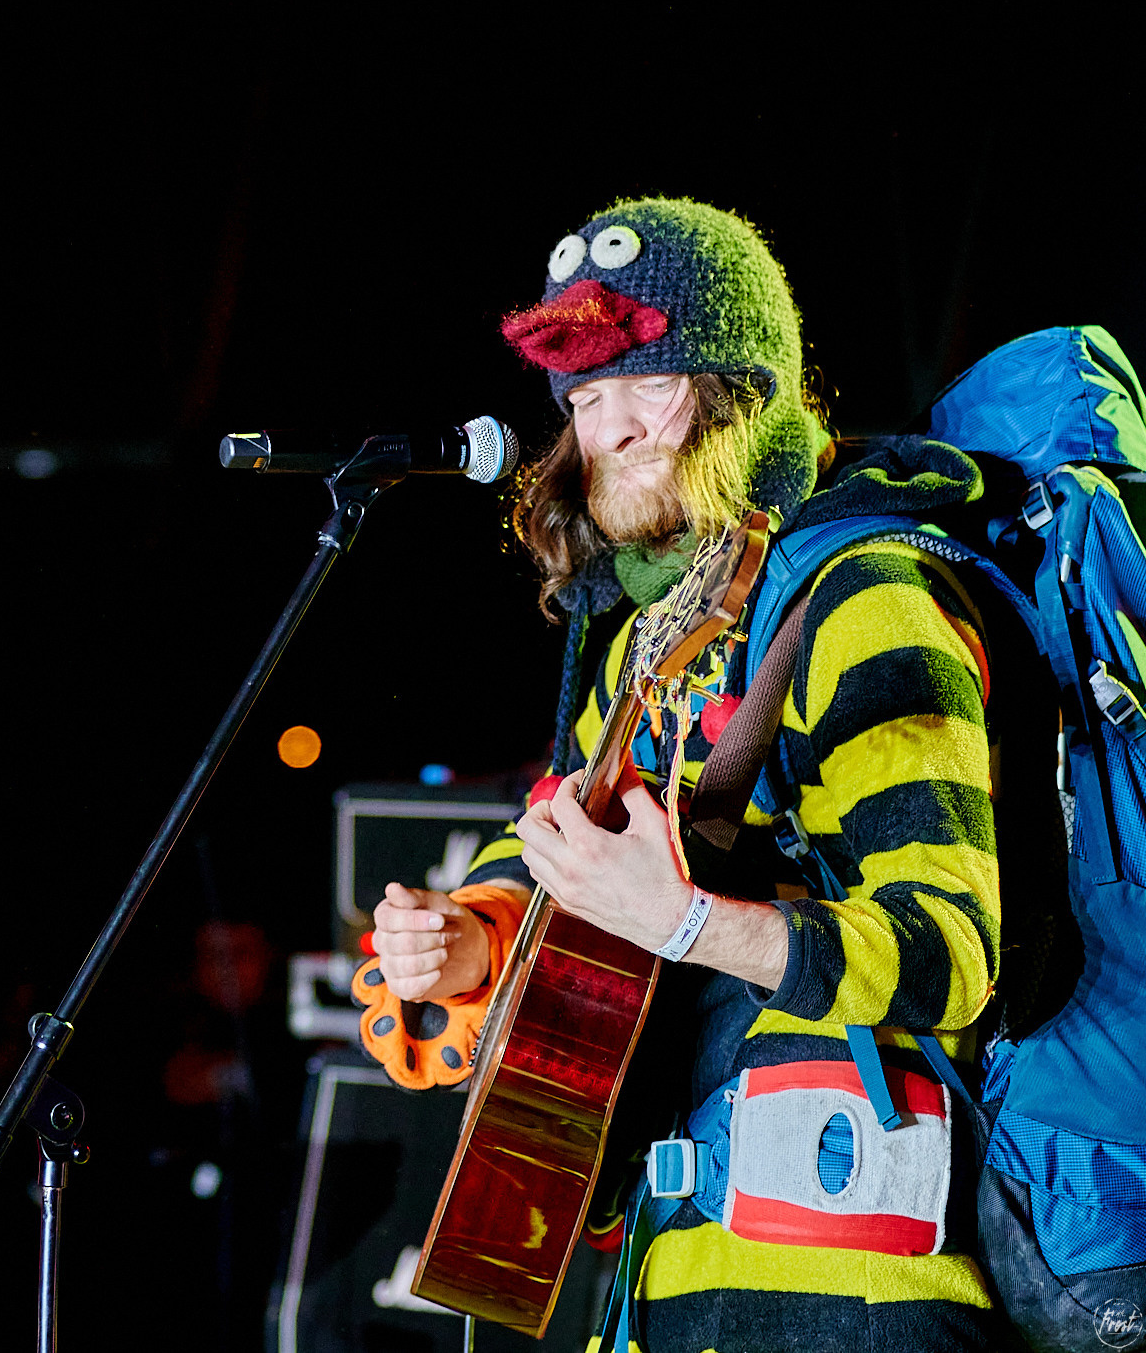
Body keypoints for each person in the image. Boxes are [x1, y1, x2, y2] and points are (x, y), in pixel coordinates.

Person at [354, 199, 1048, 1348]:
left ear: (742, 392)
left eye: (648, 382)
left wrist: (684, 922)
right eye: (581, 398)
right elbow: (549, 843)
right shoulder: (647, 642)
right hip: (667, 1276)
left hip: (854, 1294)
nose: (606, 429)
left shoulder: (867, 598)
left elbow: (945, 953)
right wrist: (471, 936)